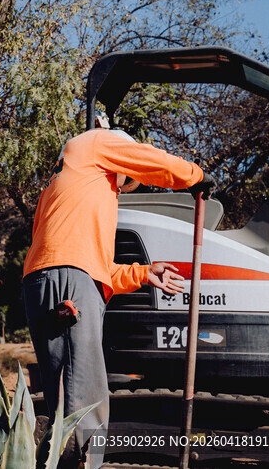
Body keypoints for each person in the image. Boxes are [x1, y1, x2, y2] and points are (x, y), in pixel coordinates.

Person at [22, 112, 215, 469]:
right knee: (84, 399)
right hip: (67, 281)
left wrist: (143, 273)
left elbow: (96, 266)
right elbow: (152, 160)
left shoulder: (67, 184)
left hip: (53, 279)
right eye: (124, 177)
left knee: (66, 394)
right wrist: (196, 177)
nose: (122, 184)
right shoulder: (96, 142)